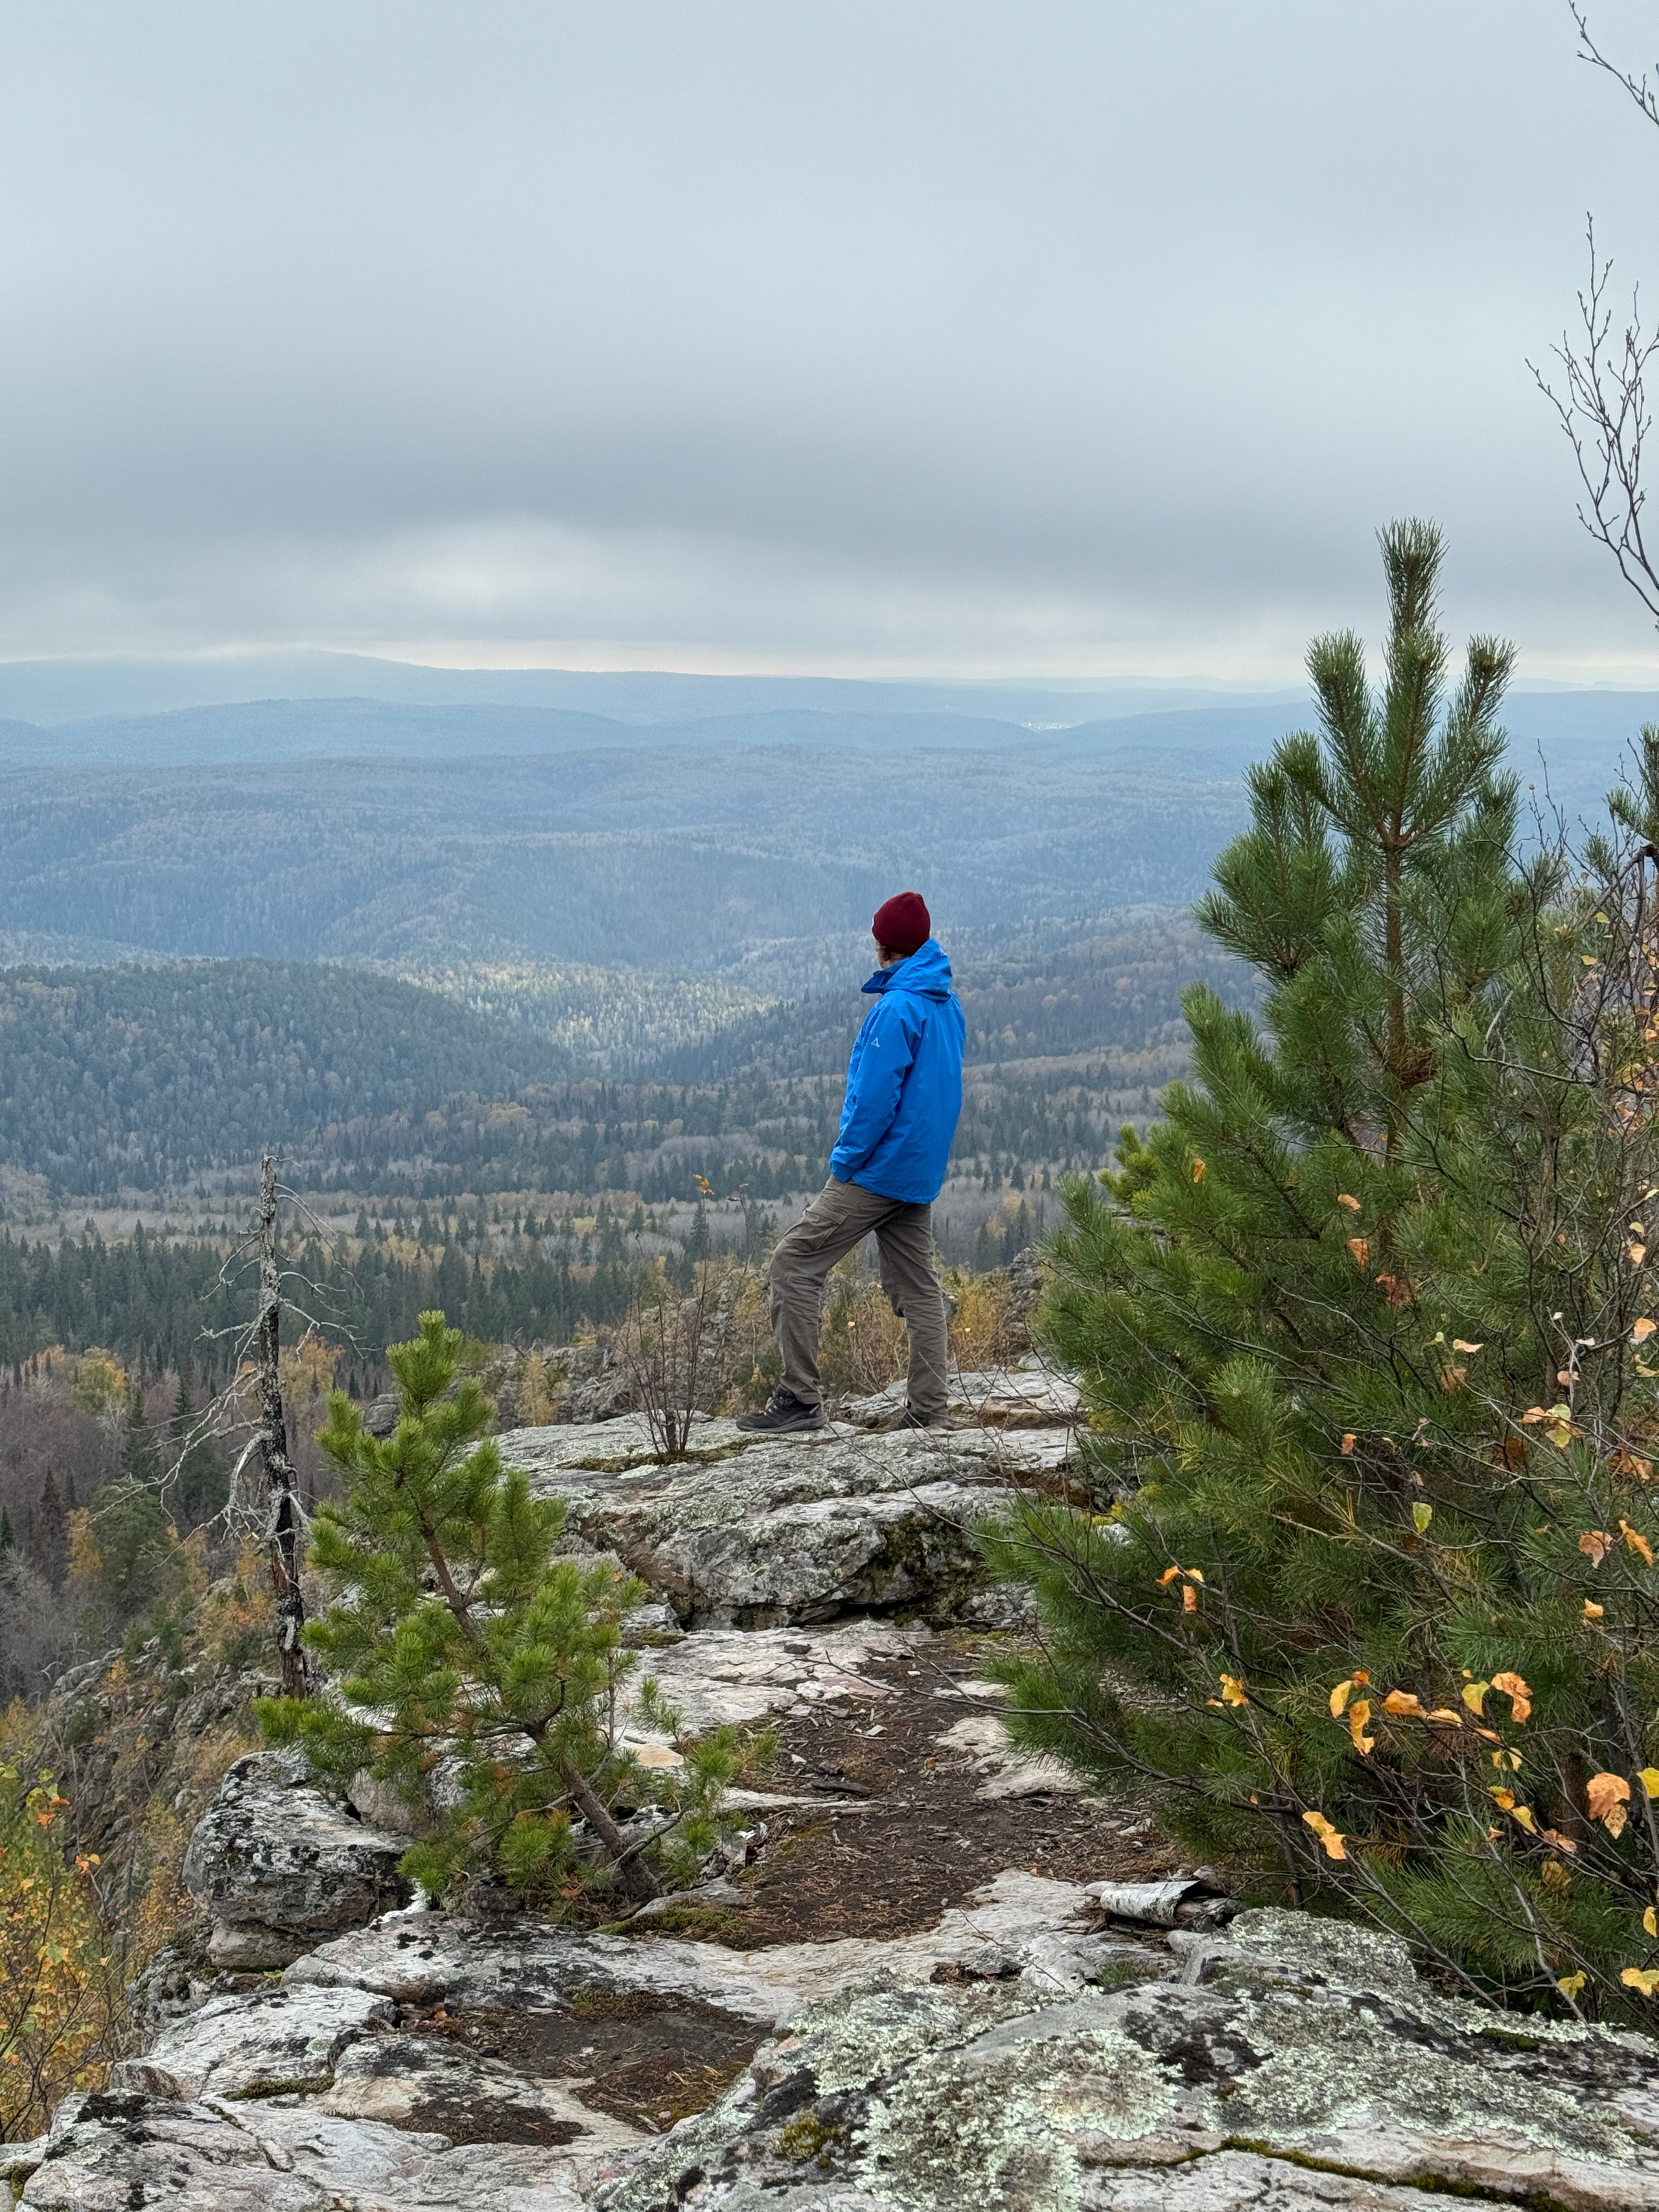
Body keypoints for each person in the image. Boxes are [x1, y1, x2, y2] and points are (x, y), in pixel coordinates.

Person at [738, 890, 966, 1433]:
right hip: (918, 1172)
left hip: (878, 1170)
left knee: (795, 1262)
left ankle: (801, 1399)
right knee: (920, 1288)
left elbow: (873, 1101)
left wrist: (846, 1162)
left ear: (884, 947)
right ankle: (929, 1411)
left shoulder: (895, 1009)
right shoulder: (945, 1004)